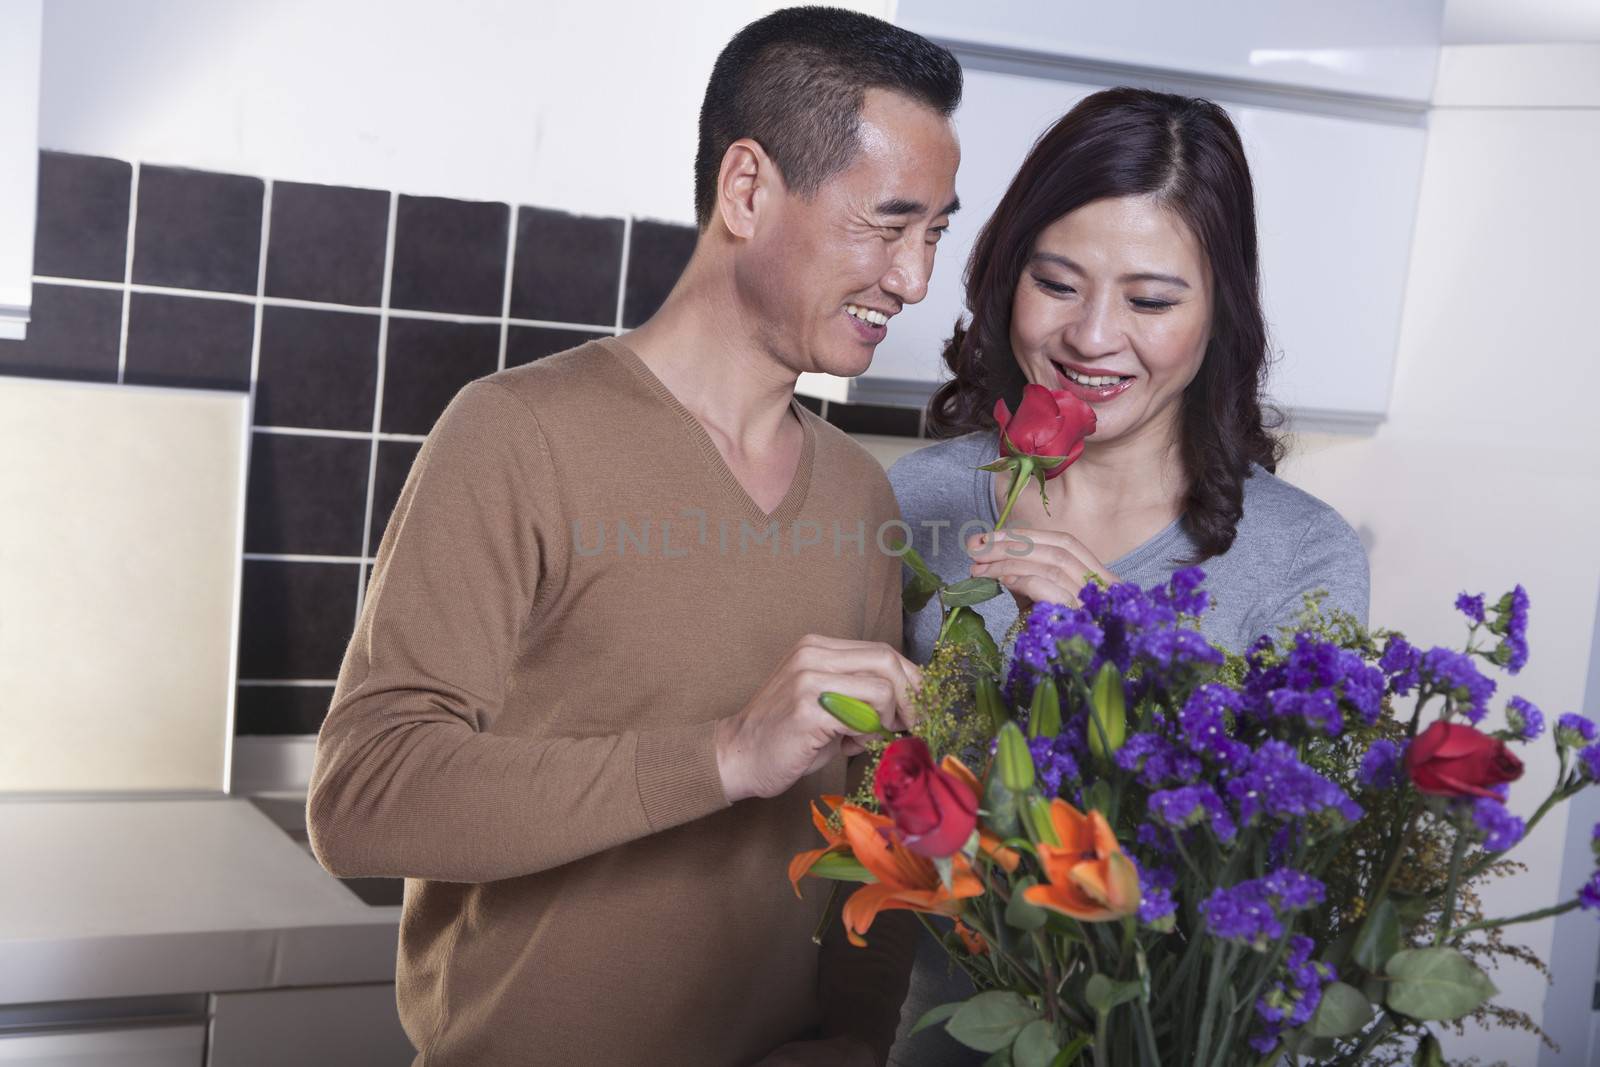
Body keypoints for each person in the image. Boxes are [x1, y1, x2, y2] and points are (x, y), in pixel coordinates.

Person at [305, 8, 962, 1066]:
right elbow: (364, 797)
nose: (914, 278)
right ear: (747, 190)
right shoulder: (517, 433)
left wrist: (851, 1034)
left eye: (934, 232)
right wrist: (723, 756)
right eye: (885, 225)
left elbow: (867, 823)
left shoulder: (858, 496)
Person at [885, 87, 1369, 1065]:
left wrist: (1119, 642)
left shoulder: (1303, 554)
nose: (1092, 336)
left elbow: (1290, 875)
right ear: (1001, 275)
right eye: (1056, 284)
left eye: (1149, 299)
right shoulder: (913, 502)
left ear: (1220, 309)